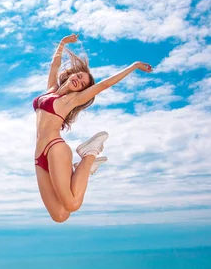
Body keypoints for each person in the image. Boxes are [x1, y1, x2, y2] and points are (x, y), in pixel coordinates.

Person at [33, 34, 153, 223]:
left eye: (82, 85)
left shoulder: (71, 100)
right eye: (79, 76)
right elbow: (54, 66)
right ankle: (84, 169)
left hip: (55, 148)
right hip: (39, 156)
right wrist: (63, 44)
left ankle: (89, 155)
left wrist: (134, 66)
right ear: (72, 73)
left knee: (73, 204)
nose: (78, 81)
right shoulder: (50, 90)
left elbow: (105, 84)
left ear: (80, 91)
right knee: (60, 215)